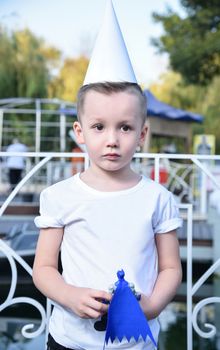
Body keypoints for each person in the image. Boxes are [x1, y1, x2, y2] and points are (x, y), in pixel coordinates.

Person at [33, 1, 182, 349]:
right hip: (70, 341)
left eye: (125, 127)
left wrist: (152, 306)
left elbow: (171, 268)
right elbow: (43, 268)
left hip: (137, 343)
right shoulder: (59, 197)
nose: (112, 140)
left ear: (142, 134)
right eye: (99, 127)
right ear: (80, 132)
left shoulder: (158, 198)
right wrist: (69, 296)